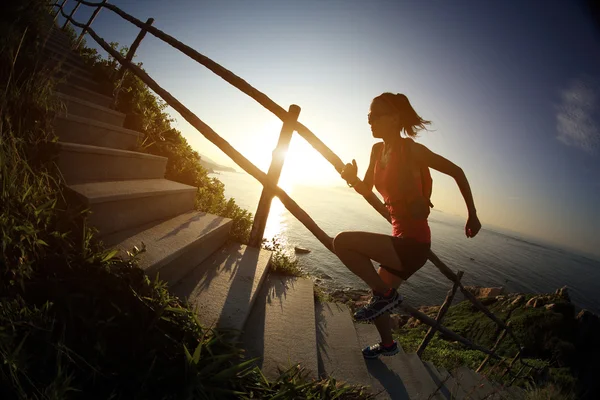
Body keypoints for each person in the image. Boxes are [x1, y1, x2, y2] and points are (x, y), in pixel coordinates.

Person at [335, 92, 481, 359]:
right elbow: (367, 188)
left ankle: (386, 295)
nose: (370, 121)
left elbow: (457, 171)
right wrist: (352, 178)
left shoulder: (412, 150)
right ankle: (388, 345)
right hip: (400, 237)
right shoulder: (377, 151)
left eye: (375, 116)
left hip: (414, 245)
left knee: (342, 242)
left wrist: (472, 214)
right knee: (377, 294)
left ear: (394, 118)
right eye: (369, 116)